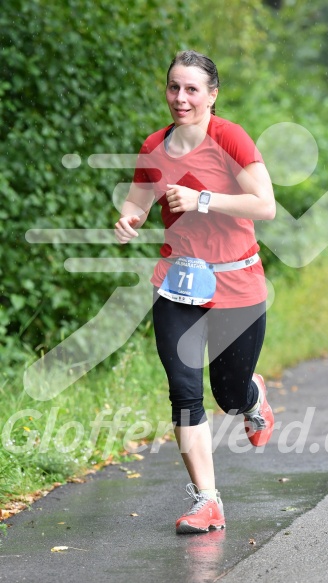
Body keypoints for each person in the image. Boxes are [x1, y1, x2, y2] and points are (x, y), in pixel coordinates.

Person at [115, 50, 276, 534]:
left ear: (211, 94)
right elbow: (137, 198)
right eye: (173, 87)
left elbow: (264, 205)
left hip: (237, 281)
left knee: (227, 395)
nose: (180, 98)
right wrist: (130, 218)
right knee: (184, 391)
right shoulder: (155, 145)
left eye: (191, 89)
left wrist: (204, 199)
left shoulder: (228, 137)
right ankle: (208, 501)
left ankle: (251, 398)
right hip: (180, 282)